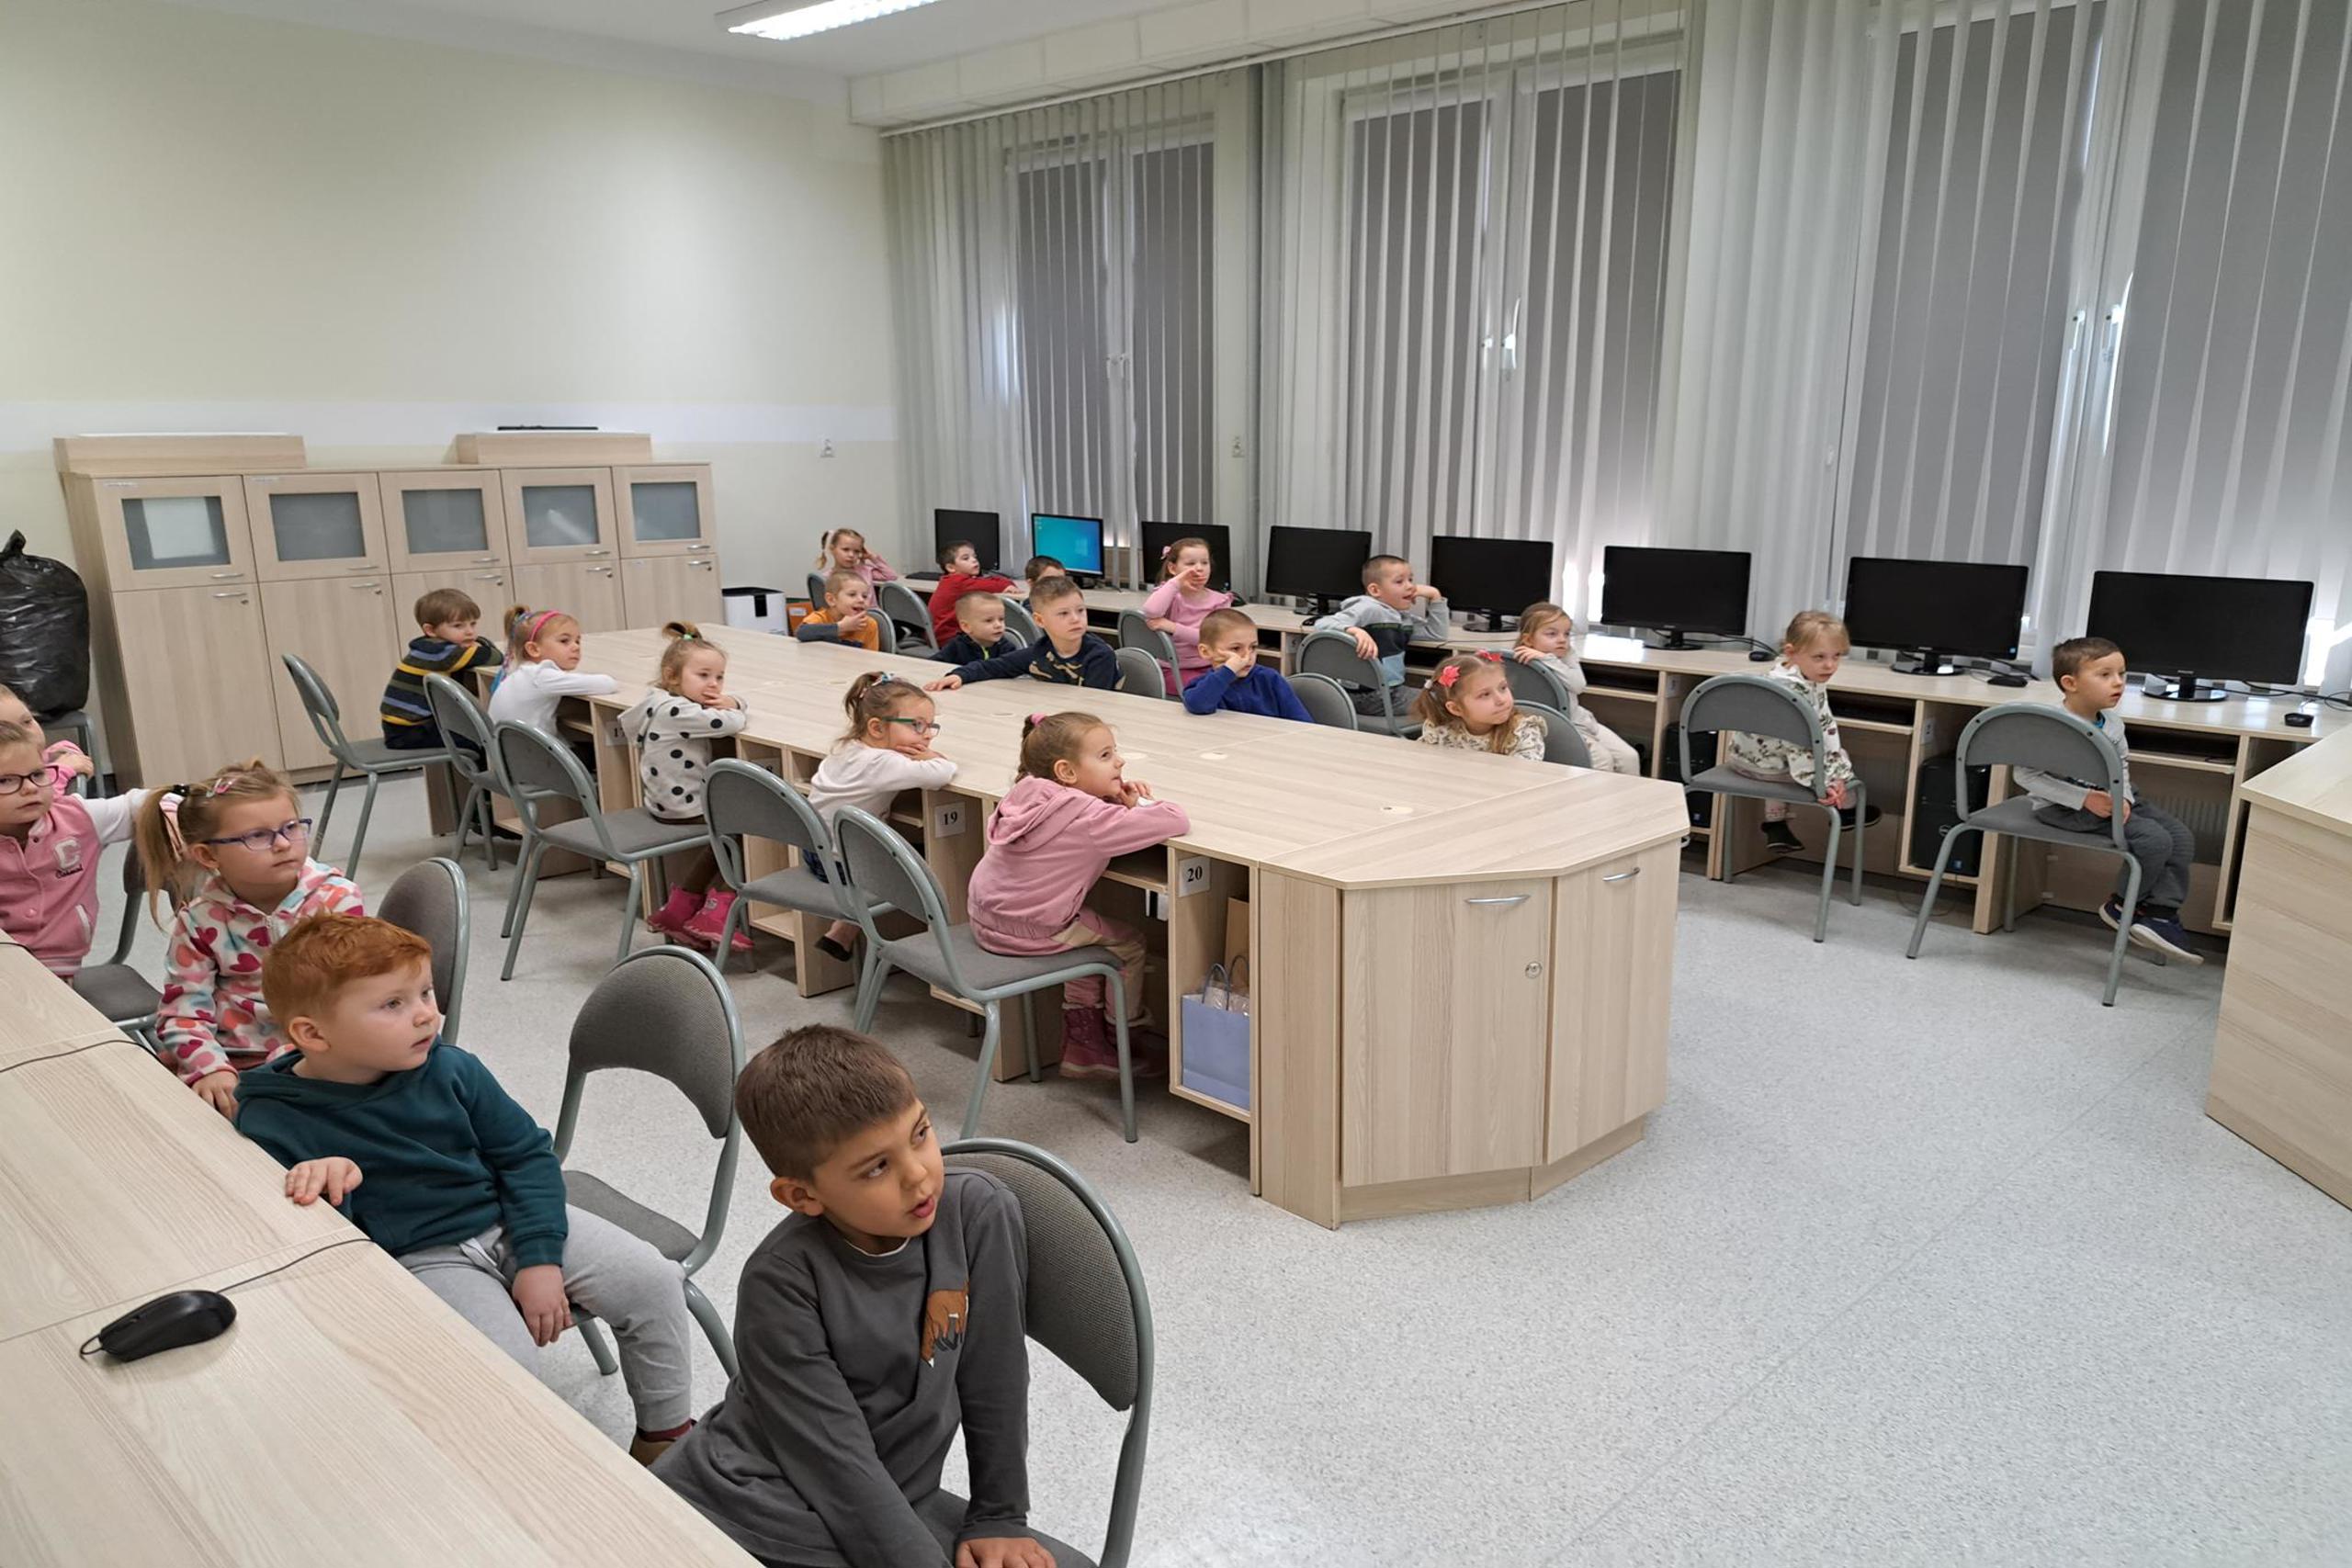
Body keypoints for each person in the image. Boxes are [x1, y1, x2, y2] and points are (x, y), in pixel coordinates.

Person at [240, 914, 696, 1465]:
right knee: (502, 1368)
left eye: (425, 992)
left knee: (653, 1279)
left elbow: (526, 1157)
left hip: (506, 1215)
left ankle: (664, 1439)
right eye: (393, 1004)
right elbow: (313, 1255)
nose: (426, 1014)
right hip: (420, 1258)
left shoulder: (451, 1068)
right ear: (313, 1035)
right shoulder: (269, 1119)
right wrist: (331, 1188)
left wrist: (540, 1260)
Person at [653, 1024, 1069, 1568]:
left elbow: (996, 1373)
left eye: (920, 1133)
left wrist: (1000, 1513)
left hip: (882, 1499)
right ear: (801, 1195)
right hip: (751, 1509)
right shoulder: (780, 1282)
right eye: (877, 1167)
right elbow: (836, 1461)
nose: (919, 1176)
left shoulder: (978, 1214)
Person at [134, 759, 366, 1118]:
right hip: (233, 1063)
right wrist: (210, 1068)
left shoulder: (337, 901)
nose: (282, 844)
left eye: (291, 827)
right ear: (208, 855)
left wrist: (296, 1062)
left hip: (320, 1059)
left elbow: (353, 1000)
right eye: (257, 836)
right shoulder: (199, 920)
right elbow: (182, 1012)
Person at [967, 712, 1188, 1080]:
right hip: (1032, 928)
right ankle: (1123, 1036)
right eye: (1105, 756)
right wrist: (1137, 805)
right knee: (1130, 944)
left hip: (985, 917)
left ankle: (1085, 1043)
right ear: (1066, 772)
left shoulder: (1027, 792)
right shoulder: (1090, 819)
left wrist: (1110, 798)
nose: (1120, 762)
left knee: (1087, 933)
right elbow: (1175, 819)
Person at [2014, 635, 2204, 963]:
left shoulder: (2113, 723)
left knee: (2181, 837)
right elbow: (2026, 776)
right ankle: (2122, 906)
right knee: (2154, 840)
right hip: (2064, 807)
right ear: (2070, 683)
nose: (2118, 683)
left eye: (2122, 674)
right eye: (2105, 675)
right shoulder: (2052, 727)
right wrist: (2084, 798)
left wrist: (2124, 798)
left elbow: (2122, 766)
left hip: (2111, 796)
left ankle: (2159, 914)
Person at [807, 672, 957, 964]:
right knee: (932, 860)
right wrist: (931, 757)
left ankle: (842, 932)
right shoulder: (883, 762)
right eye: (917, 726)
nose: (926, 734)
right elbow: (942, 773)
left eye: (931, 726)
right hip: (844, 867)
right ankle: (933, 954)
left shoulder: (846, 747)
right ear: (876, 727)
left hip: (817, 853)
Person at [624, 621, 752, 953]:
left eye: (719, 677)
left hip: (661, 801)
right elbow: (731, 722)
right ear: (672, 676)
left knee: (728, 828)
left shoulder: (656, 700)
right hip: (683, 807)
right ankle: (717, 914)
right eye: (703, 675)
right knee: (745, 831)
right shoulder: (679, 711)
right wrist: (734, 702)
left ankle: (678, 910)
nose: (713, 685)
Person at [0, 717, 153, 976]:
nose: (30, 788)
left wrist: (174, 802)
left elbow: (140, 805)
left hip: (58, 965)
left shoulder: (77, 817)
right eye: (5, 781)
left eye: (37, 774)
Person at [1724, 610, 1882, 856]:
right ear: (1791, 652)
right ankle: (1847, 810)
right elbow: (1800, 749)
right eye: (1819, 657)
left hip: (1741, 763)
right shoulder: (1797, 693)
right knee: (1838, 756)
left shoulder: (1778, 676)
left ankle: (1776, 824)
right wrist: (1827, 783)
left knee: (1781, 754)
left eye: (1837, 656)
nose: (1830, 665)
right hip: (1770, 771)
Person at [1311, 555, 1452, 719]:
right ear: (1375, 590)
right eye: (1399, 581)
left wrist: (1435, 596)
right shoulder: (1369, 608)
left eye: (1410, 580)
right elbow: (1322, 623)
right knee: (1450, 702)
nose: (1411, 587)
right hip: (1378, 697)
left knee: (1445, 699)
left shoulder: (1401, 618)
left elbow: (1436, 634)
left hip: (1366, 696)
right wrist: (1355, 631)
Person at [1510, 602, 1641, 773]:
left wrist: (1548, 659)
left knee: (1629, 757)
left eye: (1566, 633)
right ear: (1528, 640)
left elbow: (1578, 685)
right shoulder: (1519, 662)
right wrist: (1545, 660)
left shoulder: (1566, 654)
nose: (1562, 639)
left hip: (1582, 722)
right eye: (1551, 634)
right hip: (1560, 727)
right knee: (1602, 760)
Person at [927, 576, 1115, 692]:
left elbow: (1092, 703)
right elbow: (995, 666)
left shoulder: (1099, 655)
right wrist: (960, 675)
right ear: (1040, 620)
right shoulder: (1039, 652)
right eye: (1063, 613)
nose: (1075, 619)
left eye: (1080, 611)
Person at [379, 587, 502, 751]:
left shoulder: (427, 647)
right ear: (430, 630)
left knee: (472, 732)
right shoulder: (442, 653)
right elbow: (494, 657)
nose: (470, 632)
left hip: (401, 728)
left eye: (473, 624)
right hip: (410, 732)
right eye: (458, 626)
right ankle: (481, 769)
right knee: (481, 741)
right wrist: (481, 644)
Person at [487, 604, 620, 736]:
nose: (576, 647)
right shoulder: (541, 676)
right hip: (530, 749)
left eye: (577, 641)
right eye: (564, 641)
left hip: (506, 748)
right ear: (533, 649)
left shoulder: (521, 672)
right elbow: (608, 684)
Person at [1139, 536, 1234, 695]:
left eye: (1205, 563)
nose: (1199, 568)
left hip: (1211, 666)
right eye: (1190, 564)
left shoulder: (1220, 601)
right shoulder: (1169, 595)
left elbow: (1213, 639)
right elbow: (1151, 611)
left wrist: (1173, 627)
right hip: (1173, 670)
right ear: (1172, 568)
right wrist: (1175, 582)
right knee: (1208, 690)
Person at [1182, 609, 1310, 721]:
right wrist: (1228, 671)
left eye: (1253, 647)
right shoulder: (1202, 685)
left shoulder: (1270, 679)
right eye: (1236, 649)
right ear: (1206, 652)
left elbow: (1302, 722)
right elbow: (1197, 705)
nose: (1247, 657)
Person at [1413, 652, 1544, 761]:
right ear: (1456, 709)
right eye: (1485, 695)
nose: (1501, 700)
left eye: (1503, 688)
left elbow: (1523, 776)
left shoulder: (1522, 731)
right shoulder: (1440, 730)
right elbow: (1423, 766)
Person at [0, 681, 95, 794]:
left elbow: (68, 750)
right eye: (7, 732)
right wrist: (61, 771)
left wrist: (60, 756)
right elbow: (39, 801)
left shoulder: (46, 754)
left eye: (27, 721)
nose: (26, 734)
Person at [927, 541, 1020, 647]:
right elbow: (998, 585)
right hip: (950, 640)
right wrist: (1007, 584)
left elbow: (986, 582)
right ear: (951, 568)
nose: (974, 560)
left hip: (939, 637)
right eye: (966, 558)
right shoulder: (959, 583)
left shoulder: (951, 580)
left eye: (974, 556)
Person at [933, 592, 1023, 668]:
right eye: (989, 621)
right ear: (966, 627)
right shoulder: (956, 646)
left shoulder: (1007, 648)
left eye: (1001, 619)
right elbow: (933, 665)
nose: (998, 625)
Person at [803, 569, 884, 652]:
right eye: (852, 595)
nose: (861, 600)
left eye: (865, 596)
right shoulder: (821, 618)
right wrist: (840, 627)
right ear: (831, 600)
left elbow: (870, 656)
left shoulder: (869, 624)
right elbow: (802, 633)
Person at [816, 528, 899, 586]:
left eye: (856, 551)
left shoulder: (865, 571)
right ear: (832, 549)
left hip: (870, 607)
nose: (851, 555)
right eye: (846, 549)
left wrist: (872, 557)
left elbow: (891, 576)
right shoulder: (827, 578)